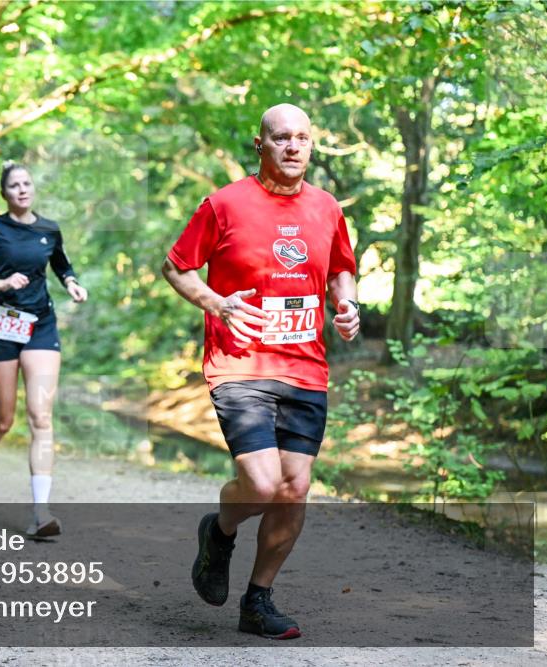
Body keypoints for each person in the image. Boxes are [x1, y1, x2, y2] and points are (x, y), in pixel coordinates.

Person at [162, 104, 359, 639]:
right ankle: (220, 531)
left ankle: (258, 601)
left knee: (294, 488)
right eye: (280, 138)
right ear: (260, 145)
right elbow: (176, 267)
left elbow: (341, 268)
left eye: (301, 138)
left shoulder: (327, 208)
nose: (292, 147)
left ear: (311, 145)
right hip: (240, 363)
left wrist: (348, 306)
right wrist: (217, 303)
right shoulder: (224, 204)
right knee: (263, 482)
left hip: (305, 370)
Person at [0, 163, 87, 538]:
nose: (22, 190)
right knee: (4, 420)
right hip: (1, 327)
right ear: (5, 192)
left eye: (27, 184)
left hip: (40, 325)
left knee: (41, 417)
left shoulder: (49, 229)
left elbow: (61, 263)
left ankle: (40, 513)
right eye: (14, 185)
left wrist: (72, 283)